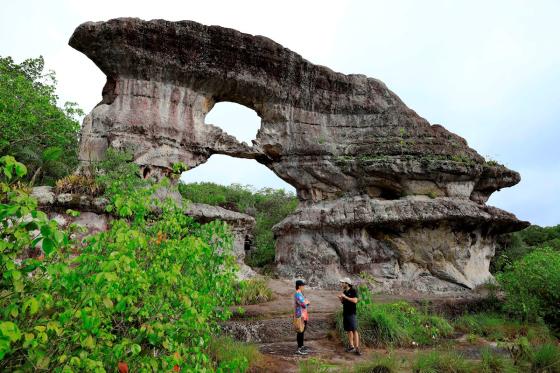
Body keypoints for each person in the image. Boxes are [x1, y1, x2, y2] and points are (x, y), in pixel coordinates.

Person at [337, 277, 361, 355]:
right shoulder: (344, 291)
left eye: (343, 283)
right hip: (345, 313)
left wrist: (345, 297)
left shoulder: (353, 291)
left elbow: (355, 300)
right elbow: (344, 303)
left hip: (351, 314)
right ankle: (351, 346)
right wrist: (341, 299)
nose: (342, 284)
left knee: (354, 330)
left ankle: (357, 348)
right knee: (348, 330)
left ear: (347, 283)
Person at [294, 279, 310, 355]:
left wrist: (306, 302)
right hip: (300, 315)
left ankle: (302, 346)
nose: (304, 287)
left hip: (304, 315)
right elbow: (303, 304)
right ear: (299, 286)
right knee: (300, 331)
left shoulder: (300, 293)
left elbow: (305, 303)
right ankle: (299, 348)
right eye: (303, 285)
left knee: (302, 331)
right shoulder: (298, 294)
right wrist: (307, 302)